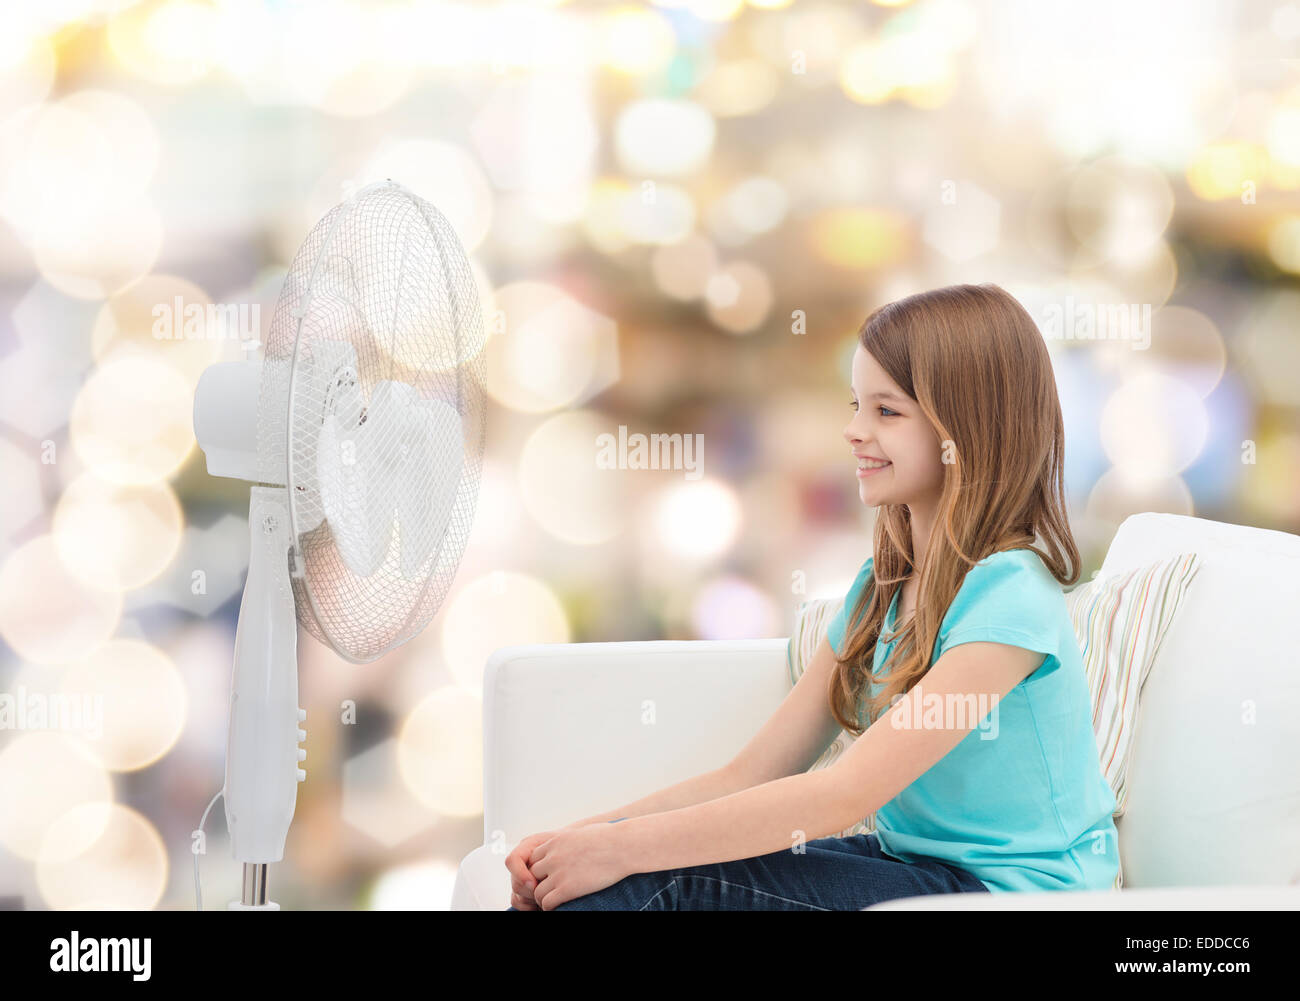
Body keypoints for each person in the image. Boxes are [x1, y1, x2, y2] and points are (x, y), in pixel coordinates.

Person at [505, 282, 1119, 910]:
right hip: (910, 864)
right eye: (857, 404)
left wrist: (619, 853)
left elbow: (843, 795)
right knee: (610, 882)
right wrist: (582, 840)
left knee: (650, 884)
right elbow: (747, 775)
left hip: (1002, 894)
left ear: (965, 428)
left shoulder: (1009, 596)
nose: (853, 430)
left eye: (887, 411)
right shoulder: (883, 586)